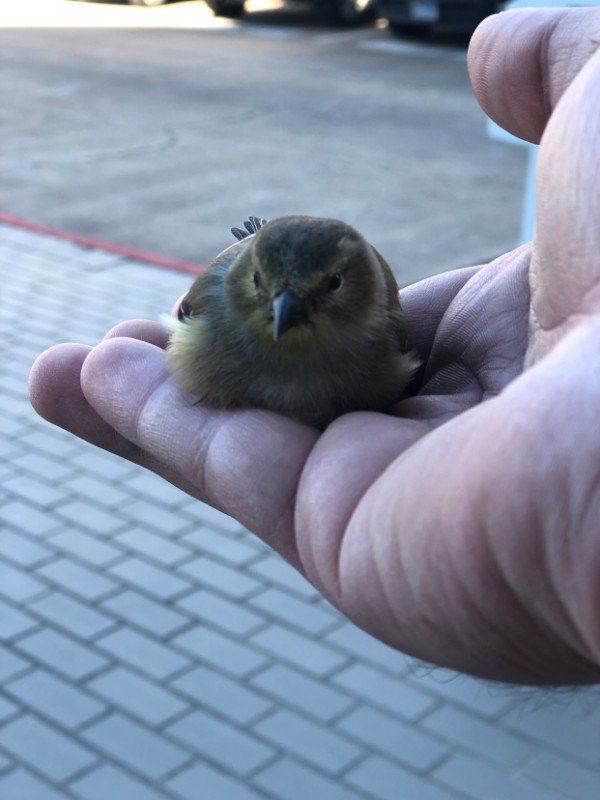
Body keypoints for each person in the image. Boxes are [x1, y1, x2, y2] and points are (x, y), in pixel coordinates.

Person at [29, 8, 600, 685]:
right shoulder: (217, 299)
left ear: (352, 283)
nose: (284, 310)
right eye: (268, 288)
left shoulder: (381, 323)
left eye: (322, 290)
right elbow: (193, 321)